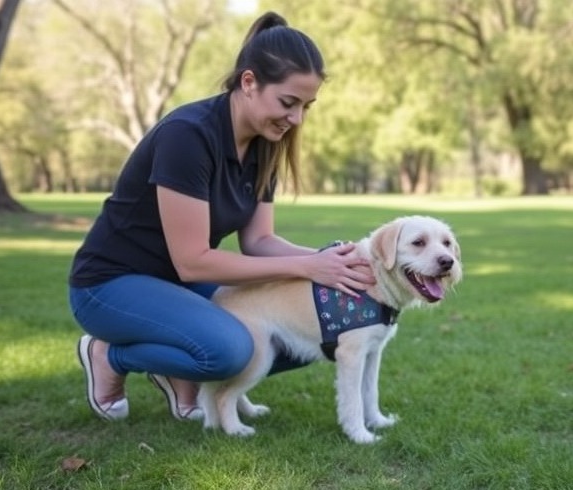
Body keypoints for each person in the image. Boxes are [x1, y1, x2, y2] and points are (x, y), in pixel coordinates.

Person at [67, 11, 374, 421]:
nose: (297, 118)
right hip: (109, 284)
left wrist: (332, 261)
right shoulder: (188, 135)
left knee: (317, 322)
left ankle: (180, 365)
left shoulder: (265, 143)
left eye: (306, 106)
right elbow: (192, 261)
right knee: (229, 351)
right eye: (288, 102)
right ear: (249, 82)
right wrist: (307, 265)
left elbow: (260, 241)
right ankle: (109, 354)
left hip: (176, 285)